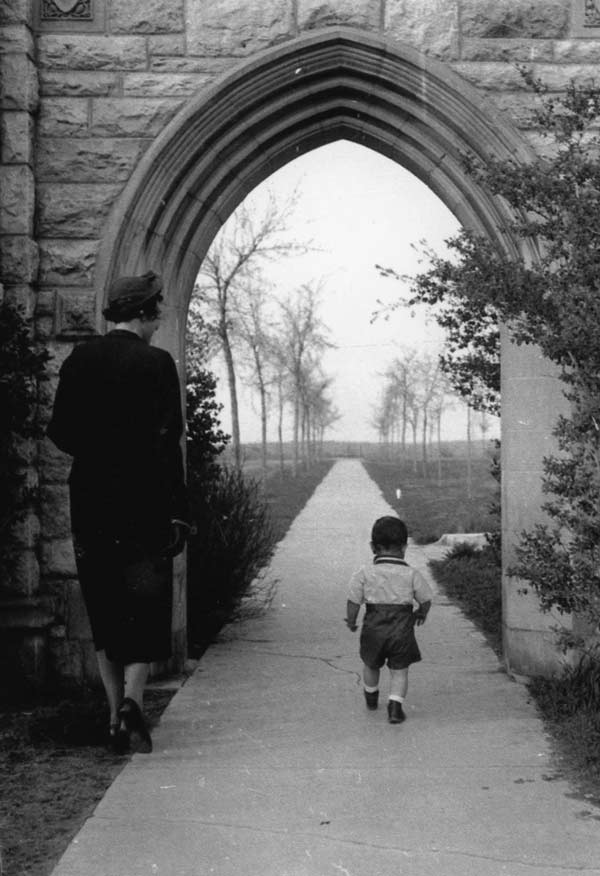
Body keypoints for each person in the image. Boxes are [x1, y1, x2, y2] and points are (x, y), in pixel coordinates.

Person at [47, 271, 190, 754]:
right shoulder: (156, 363)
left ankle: (113, 718)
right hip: (146, 503)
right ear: (146, 313)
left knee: (105, 606)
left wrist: (98, 452)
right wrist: (179, 510)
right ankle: (132, 702)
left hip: (92, 500)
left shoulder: (79, 360)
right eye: (157, 314)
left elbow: (60, 432)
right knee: (144, 609)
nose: (157, 322)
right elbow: (170, 443)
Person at [344, 516, 432, 724]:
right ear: (404, 547)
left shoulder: (364, 573)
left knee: (371, 665)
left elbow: (353, 601)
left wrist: (351, 621)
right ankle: (395, 708)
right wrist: (421, 613)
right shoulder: (411, 574)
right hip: (401, 631)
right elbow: (426, 599)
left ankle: (371, 698)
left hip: (373, 629)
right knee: (399, 670)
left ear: (373, 547)